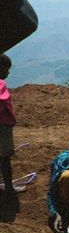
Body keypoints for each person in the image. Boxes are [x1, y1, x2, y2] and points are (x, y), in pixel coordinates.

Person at [0, 54, 17, 207]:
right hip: (2, 126)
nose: (8, 73)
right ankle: (9, 189)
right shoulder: (1, 85)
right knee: (5, 159)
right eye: (6, 68)